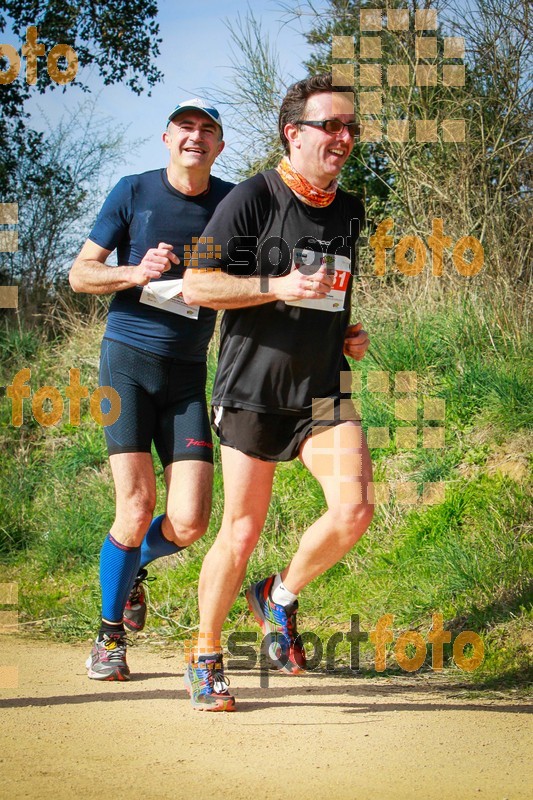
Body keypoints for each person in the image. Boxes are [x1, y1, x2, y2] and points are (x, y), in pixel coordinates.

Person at [181, 75, 373, 711]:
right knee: (240, 530)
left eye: (351, 127)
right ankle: (206, 654)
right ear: (294, 133)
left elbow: (334, 287)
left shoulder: (350, 208)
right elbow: (198, 285)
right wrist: (277, 285)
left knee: (353, 513)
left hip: (323, 390)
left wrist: (347, 329)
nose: (344, 138)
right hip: (253, 392)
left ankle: (278, 597)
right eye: (331, 126)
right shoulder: (251, 198)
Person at [69, 98, 233, 681]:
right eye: (185, 127)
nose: (195, 137)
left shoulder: (232, 203)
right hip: (128, 363)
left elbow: (257, 280)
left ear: (219, 146)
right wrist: (134, 273)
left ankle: (131, 565)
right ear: (167, 138)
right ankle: (108, 638)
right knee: (135, 506)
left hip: (189, 372)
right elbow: (79, 272)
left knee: (188, 522)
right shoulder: (132, 191)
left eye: (207, 131)